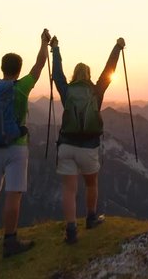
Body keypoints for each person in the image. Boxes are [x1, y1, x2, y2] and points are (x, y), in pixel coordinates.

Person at [0, 27, 50, 257]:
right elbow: (39, 66)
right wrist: (43, 43)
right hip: (17, 147)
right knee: (13, 194)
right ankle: (10, 242)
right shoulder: (21, 88)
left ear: (2, 68)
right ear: (19, 70)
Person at [50, 35, 125, 244]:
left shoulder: (67, 90)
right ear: (89, 75)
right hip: (89, 147)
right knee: (91, 184)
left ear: (75, 75)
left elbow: (57, 74)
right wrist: (117, 47)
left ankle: (71, 230)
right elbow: (109, 70)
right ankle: (91, 218)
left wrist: (55, 48)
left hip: (66, 144)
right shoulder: (96, 90)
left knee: (69, 189)